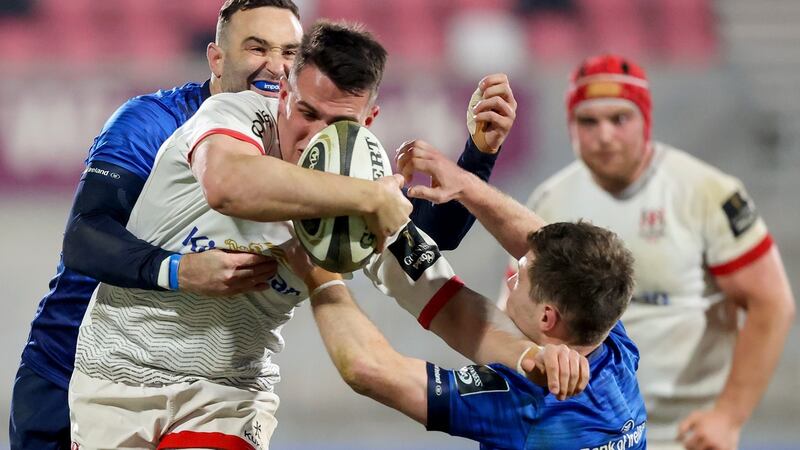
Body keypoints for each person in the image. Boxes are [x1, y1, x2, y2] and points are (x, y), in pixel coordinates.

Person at [9, 1, 502, 448]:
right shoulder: (155, 123)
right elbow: (84, 239)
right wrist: (180, 269)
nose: (275, 64)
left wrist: (475, 158)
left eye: (289, 50)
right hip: (73, 366)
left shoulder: (327, 157)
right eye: (256, 47)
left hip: (217, 388)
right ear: (217, 59)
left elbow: (409, 240)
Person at [506, 54, 796, 449]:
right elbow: (515, 306)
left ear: (646, 120)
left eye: (619, 118)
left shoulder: (706, 192)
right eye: (588, 121)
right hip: (585, 433)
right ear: (570, 126)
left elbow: (771, 303)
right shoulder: (549, 199)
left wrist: (729, 416)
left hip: (684, 435)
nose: (604, 135)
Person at [289, 200, 645, 448]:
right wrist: (467, 182)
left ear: (547, 317)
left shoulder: (521, 404)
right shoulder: (614, 346)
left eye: (519, 277)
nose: (509, 282)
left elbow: (368, 368)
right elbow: (464, 313)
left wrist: (318, 271)